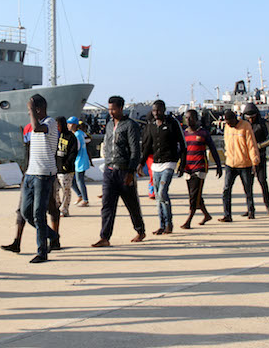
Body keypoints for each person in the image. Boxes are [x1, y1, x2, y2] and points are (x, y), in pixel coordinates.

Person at [92, 96, 146, 247]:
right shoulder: (109, 125)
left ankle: (140, 230)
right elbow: (107, 145)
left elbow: (135, 151)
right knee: (107, 205)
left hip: (124, 171)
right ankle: (105, 237)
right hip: (109, 171)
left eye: (113, 109)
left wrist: (131, 172)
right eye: (109, 109)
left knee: (131, 204)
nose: (111, 112)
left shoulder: (130, 126)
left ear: (121, 108)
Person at [0, 124, 62, 254]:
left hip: (45, 174)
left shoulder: (48, 127)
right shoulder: (29, 127)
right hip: (29, 172)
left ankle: (54, 238)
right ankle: (17, 241)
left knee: (50, 207)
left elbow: (52, 152)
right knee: (22, 210)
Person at [19, 94, 61, 263]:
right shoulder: (35, 125)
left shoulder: (49, 123)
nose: (28, 112)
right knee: (26, 212)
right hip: (31, 174)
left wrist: (31, 111)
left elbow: (37, 128)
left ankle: (42, 252)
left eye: (31, 108)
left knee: (39, 213)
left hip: (44, 175)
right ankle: (53, 235)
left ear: (38, 109)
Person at [139, 100, 186, 234]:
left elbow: (182, 144)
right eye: (154, 111)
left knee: (162, 193)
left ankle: (169, 223)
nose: (156, 113)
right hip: (156, 165)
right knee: (158, 197)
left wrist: (182, 164)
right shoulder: (151, 125)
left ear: (164, 109)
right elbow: (147, 146)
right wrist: (141, 163)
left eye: (158, 110)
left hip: (169, 163)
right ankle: (161, 224)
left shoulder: (172, 123)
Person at [180, 109, 222, 229]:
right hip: (188, 168)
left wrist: (218, 166)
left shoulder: (203, 133)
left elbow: (213, 149)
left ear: (196, 119)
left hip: (200, 168)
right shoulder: (184, 134)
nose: (188, 120)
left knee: (194, 195)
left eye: (191, 118)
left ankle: (189, 219)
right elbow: (181, 151)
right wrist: (180, 166)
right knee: (194, 194)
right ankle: (206, 215)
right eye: (186, 118)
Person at [219, 109, 260, 222]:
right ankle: (227, 214)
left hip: (244, 163)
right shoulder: (227, 127)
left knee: (248, 189)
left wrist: (254, 160)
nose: (228, 124)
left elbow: (251, 144)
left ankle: (251, 211)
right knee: (226, 189)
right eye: (226, 122)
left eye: (229, 122)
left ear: (234, 119)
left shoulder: (245, 126)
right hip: (230, 163)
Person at [243, 103, 269, 216]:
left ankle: (268, 206)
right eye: (248, 118)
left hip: (259, 156)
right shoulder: (243, 124)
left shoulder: (263, 124)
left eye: (253, 117)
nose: (251, 120)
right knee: (248, 184)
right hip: (247, 158)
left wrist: (258, 146)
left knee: (262, 181)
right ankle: (250, 208)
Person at [54, 116, 78, 217]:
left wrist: (66, 165)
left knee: (66, 190)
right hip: (55, 168)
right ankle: (57, 206)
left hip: (66, 170)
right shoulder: (55, 136)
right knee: (55, 190)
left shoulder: (71, 137)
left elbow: (73, 152)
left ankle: (64, 209)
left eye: (58, 125)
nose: (57, 127)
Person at [69, 117, 90, 207]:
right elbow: (88, 139)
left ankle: (85, 199)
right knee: (73, 180)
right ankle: (80, 195)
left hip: (79, 160)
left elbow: (76, 149)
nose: (68, 126)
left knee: (79, 180)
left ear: (73, 125)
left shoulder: (76, 135)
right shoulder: (81, 133)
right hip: (81, 159)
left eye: (69, 124)